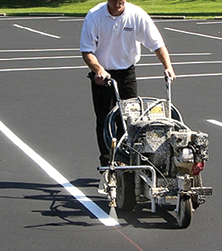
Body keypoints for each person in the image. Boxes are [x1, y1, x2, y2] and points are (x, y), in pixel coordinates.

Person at [80, 0, 176, 166]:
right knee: (105, 120)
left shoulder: (136, 15)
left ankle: (125, 159)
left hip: (126, 72)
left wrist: (168, 67)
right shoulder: (94, 16)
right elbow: (87, 51)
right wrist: (99, 70)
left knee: (129, 119)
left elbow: (158, 44)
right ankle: (107, 162)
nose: (118, 2)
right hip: (103, 74)